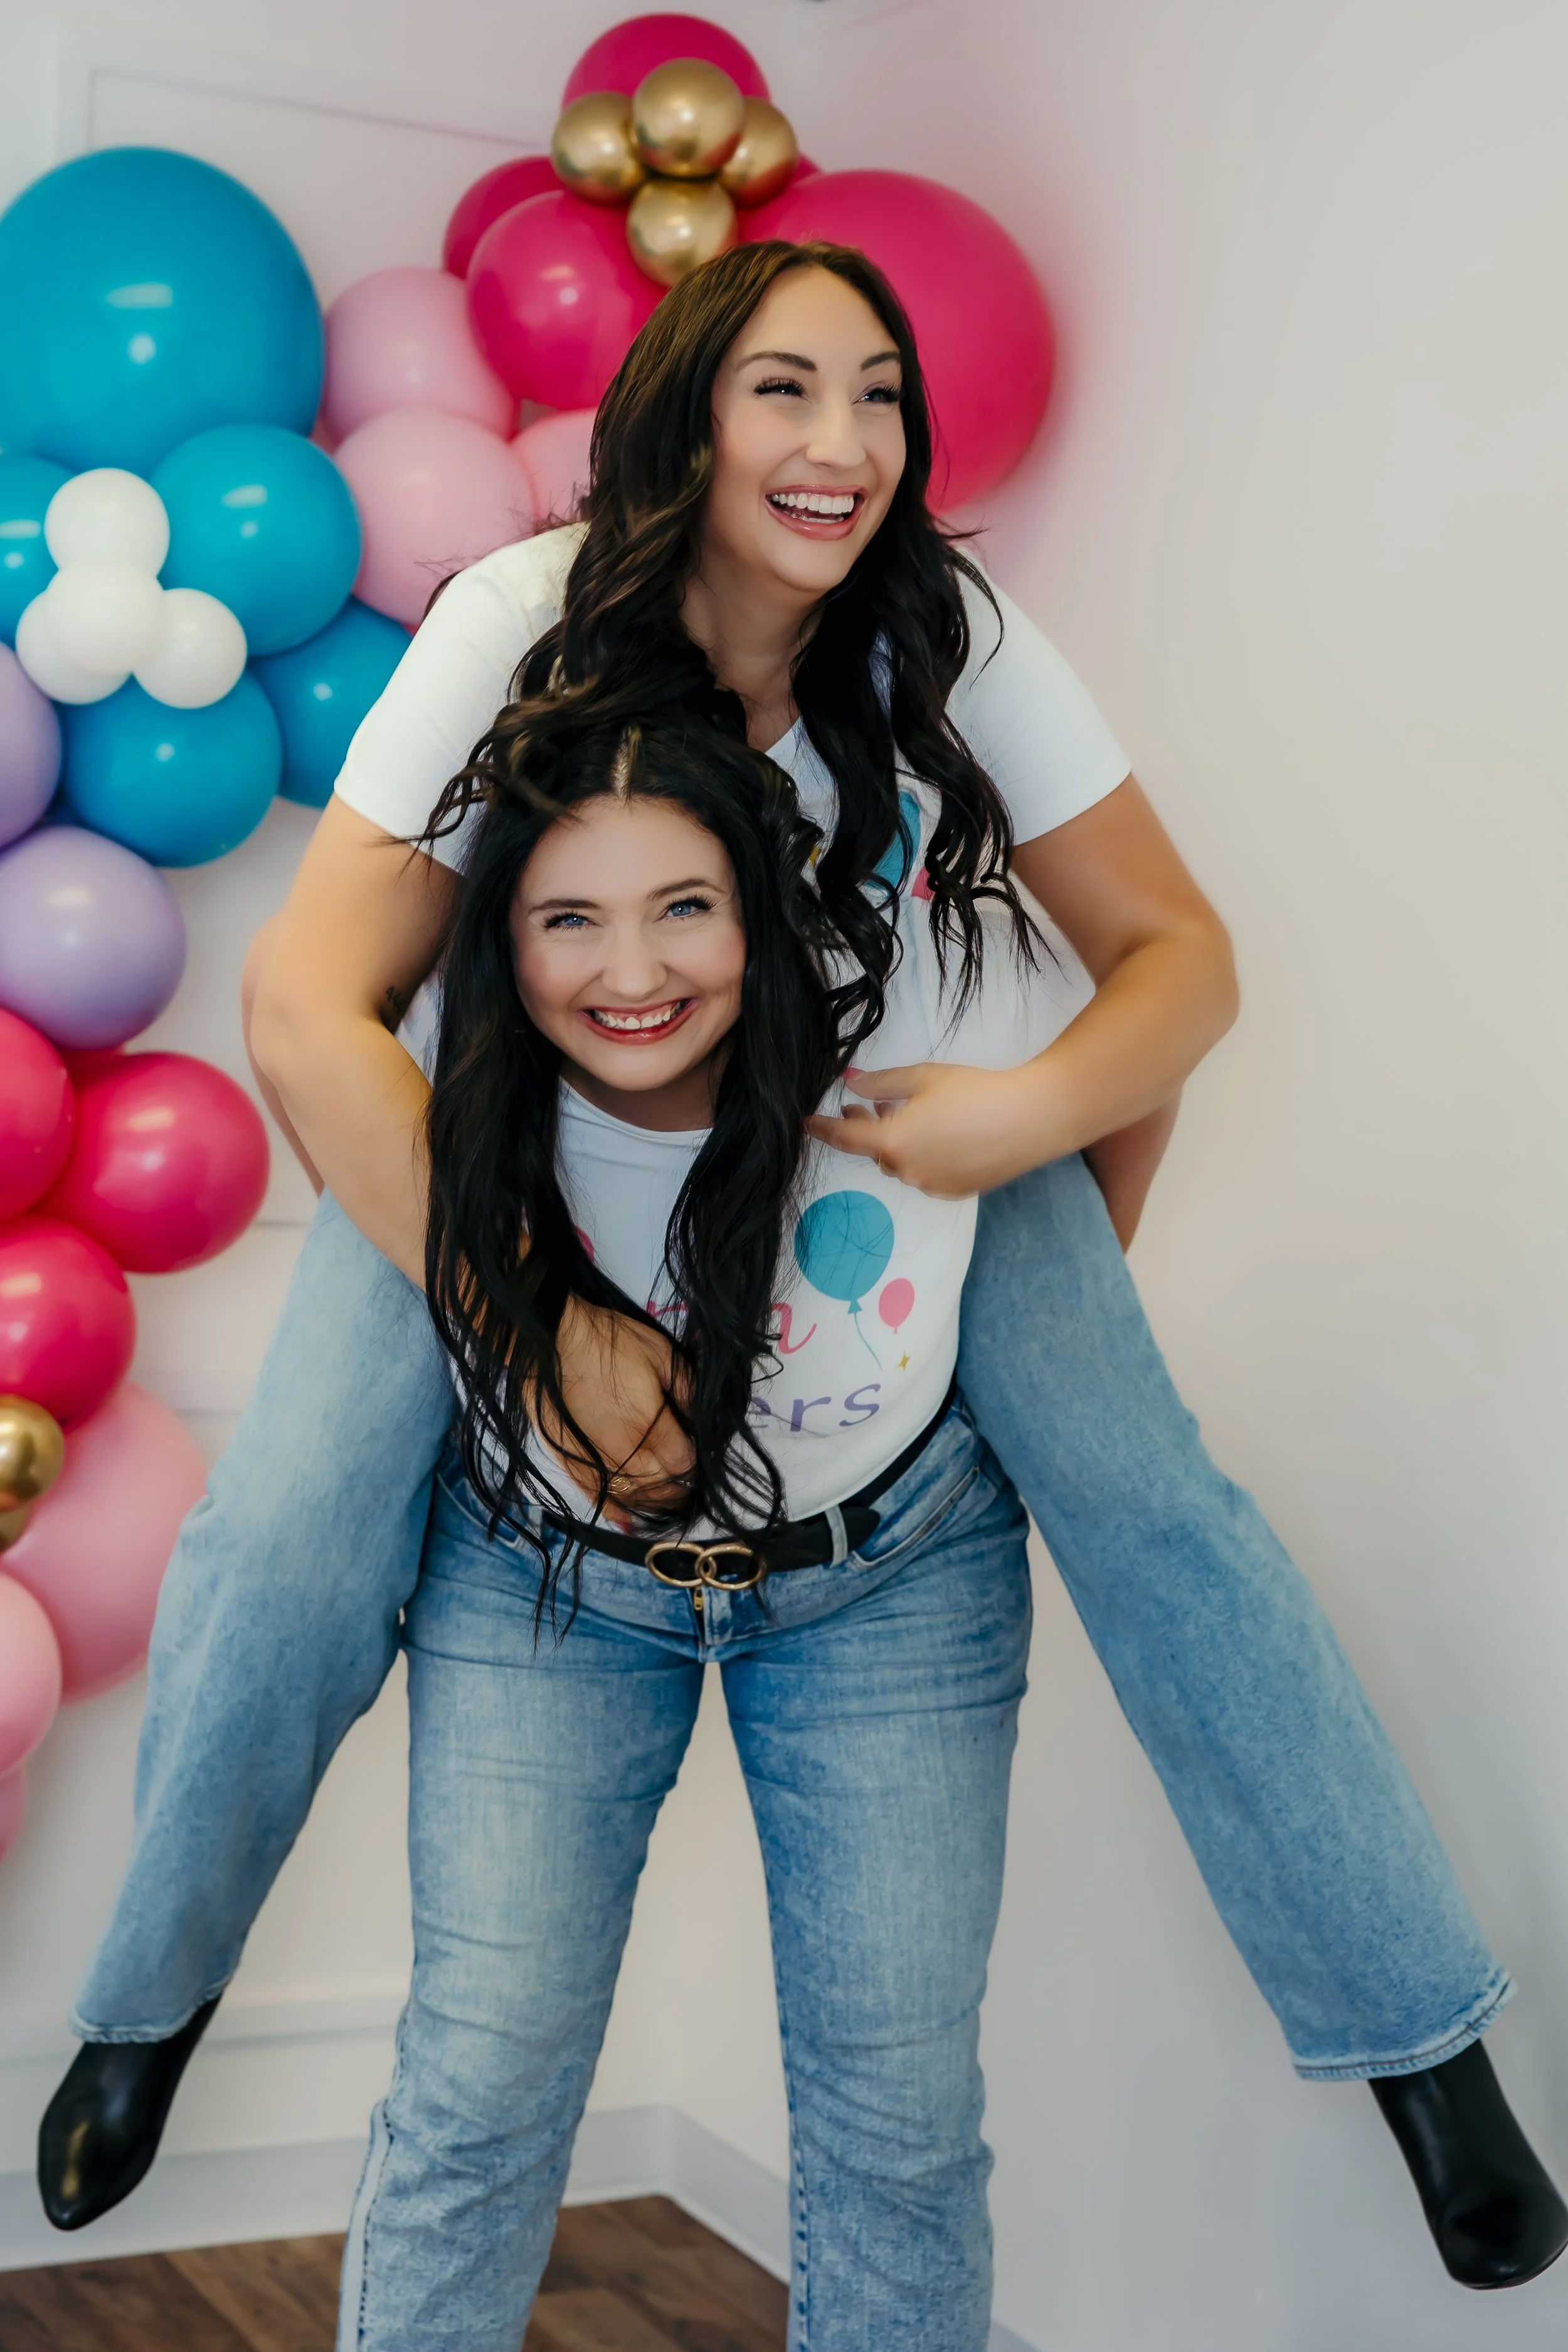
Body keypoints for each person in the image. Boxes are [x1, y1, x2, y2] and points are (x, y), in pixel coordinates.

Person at [39, 241, 1566, 2293]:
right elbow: (310, 1006)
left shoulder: (949, 629)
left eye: (879, 392)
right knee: (297, 1507)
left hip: (885, 1138)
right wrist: (537, 1324)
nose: (843, 438)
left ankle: (1417, 2042)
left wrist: (1011, 1131)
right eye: (785, 386)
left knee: (1156, 1505)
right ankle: (154, 1996)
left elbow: (1177, 960)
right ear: (684, 411)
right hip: (509, 1168)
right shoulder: (519, 618)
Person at [350, 702, 1050, 2350]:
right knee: (477, 2091)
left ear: (757, 905)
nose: (631, 970)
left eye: (683, 906)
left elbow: (1119, 1086)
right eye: (569, 917)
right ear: (504, 937)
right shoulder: (443, 1057)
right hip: (547, 1579)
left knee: (900, 2127)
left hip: (893, 1579)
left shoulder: (918, 1006)